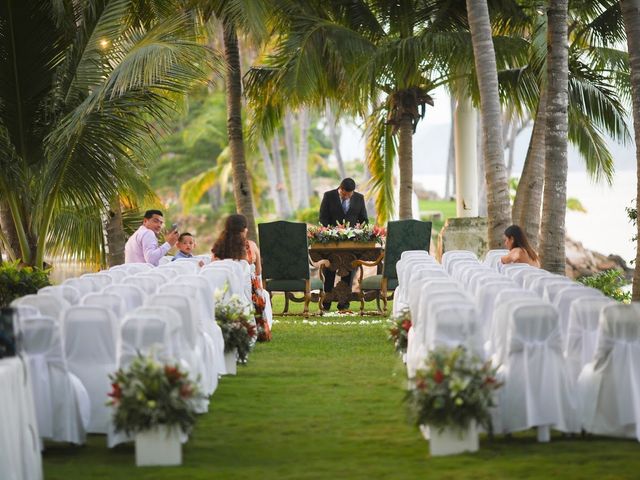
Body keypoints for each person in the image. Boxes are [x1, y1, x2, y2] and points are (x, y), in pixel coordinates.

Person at [211, 214, 272, 341]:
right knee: (263, 294)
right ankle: (260, 330)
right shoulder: (251, 246)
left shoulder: (219, 247)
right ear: (245, 229)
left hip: (222, 292)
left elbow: (213, 268)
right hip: (247, 293)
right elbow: (259, 272)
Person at [319, 178, 368, 311]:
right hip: (331, 243)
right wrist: (331, 231)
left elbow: (364, 220)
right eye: (345, 194)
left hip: (351, 244)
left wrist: (358, 231)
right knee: (329, 271)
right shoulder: (328, 196)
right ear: (340, 188)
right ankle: (327, 302)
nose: (347, 197)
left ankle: (344, 303)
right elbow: (323, 217)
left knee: (348, 271)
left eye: (350, 194)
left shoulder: (359, 198)